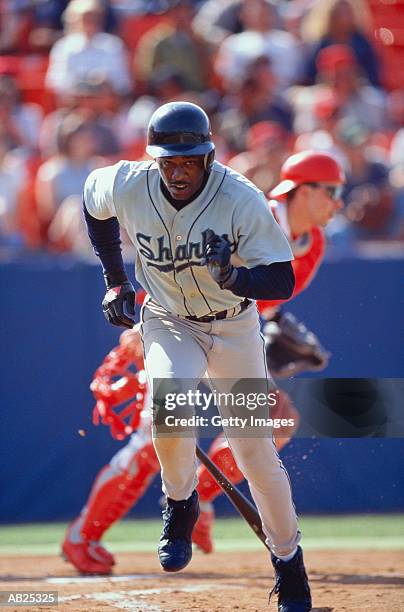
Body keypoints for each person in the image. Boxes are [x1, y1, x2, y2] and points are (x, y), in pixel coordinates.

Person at [80, 100, 312, 611]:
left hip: (234, 330)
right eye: (169, 161)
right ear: (154, 158)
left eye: (189, 161)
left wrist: (235, 277)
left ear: (208, 158)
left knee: (257, 455)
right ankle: (180, 503)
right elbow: (92, 204)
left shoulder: (240, 197)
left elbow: (282, 277)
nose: (179, 171)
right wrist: (115, 281)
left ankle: (289, 564)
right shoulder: (128, 182)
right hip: (168, 321)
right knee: (169, 406)